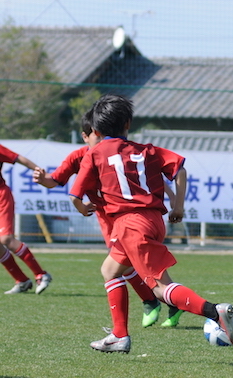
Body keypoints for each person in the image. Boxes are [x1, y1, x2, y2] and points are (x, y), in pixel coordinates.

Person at [69, 94, 233, 353]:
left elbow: (75, 194)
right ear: (128, 123)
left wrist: (82, 207)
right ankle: (119, 336)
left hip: (130, 226)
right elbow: (180, 168)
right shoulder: (146, 150)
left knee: (161, 288)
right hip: (153, 220)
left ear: (95, 129)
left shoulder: (94, 154)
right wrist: (179, 206)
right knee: (110, 270)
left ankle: (215, 312)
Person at [33, 116, 182, 327]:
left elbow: (149, 177)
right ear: (87, 136)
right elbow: (56, 180)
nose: (101, 138)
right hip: (108, 217)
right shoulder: (80, 157)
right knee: (121, 264)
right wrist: (42, 179)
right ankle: (156, 299)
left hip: (130, 216)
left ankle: (161, 299)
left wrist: (173, 198)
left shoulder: (121, 152)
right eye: (96, 135)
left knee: (124, 264)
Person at [0, 144, 52, 295]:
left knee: (6, 239)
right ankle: (22, 281)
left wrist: (40, 171)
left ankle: (41, 274)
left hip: (1, 197)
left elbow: (19, 159)